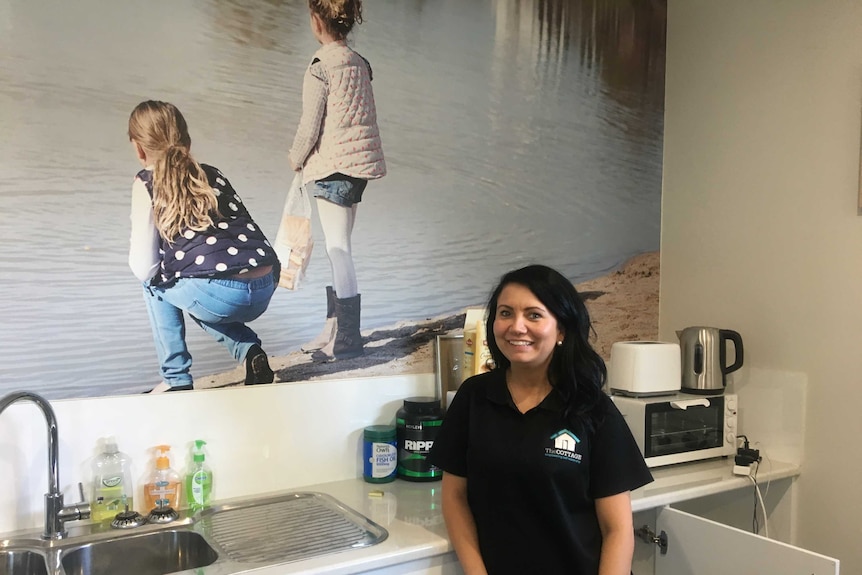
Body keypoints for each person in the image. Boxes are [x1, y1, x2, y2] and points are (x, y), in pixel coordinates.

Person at [427, 264, 653, 575]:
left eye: (534, 315)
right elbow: (454, 496)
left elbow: (617, 529)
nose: (517, 327)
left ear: (561, 329)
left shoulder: (591, 408)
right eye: (505, 313)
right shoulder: (474, 397)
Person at [127, 100, 280, 393]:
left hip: (218, 292)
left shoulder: (146, 181)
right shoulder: (212, 173)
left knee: (156, 283)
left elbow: (143, 268)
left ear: (139, 148)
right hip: (265, 284)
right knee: (193, 282)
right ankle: (249, 352)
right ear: (187, 138)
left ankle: (176, 379)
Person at [288, 0, 386, 362]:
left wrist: (295, 157)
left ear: (317, 21)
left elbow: (310, 125)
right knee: (339, 246)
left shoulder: (319, 67)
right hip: (358, 167)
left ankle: (346, 338)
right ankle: (333, 329)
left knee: (338, 250)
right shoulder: (361, 63)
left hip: (332, 168)